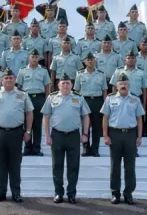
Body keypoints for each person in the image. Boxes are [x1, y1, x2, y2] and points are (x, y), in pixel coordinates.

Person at [0, 68, 34, 203]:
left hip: (16, 132)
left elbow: (29, 113)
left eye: (11, 78)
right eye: (6, 78)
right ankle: (1, 192)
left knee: (15, 163)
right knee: (0, 163)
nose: (8, 80)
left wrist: (28, 131)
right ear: (2, 80)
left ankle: (16, 192)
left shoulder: (22, 95)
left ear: (15, 80)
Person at [42, 73, 90, 204]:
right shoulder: (52, 98)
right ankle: (58, 193)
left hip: (74, 135)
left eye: (68, 83)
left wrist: (85, 134)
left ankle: (71, 193)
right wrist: (47, 135)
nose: (65, 85)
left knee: (73, 166)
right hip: (57, 135)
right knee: (57, 166)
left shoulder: (78, 98)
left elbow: (86, 116)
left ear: (72, 85)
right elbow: (46, 117)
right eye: (63, 83)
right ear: (58, 85)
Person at [101, 73, 144, 205]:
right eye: (121, 84)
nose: (123, 86)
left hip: (130, 134)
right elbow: (105, 118)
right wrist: (105, 135)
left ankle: (128, 193)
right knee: (115, 166)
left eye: (125, 84)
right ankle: (115, 194)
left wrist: (139, 136)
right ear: (117, 86)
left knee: (130, 166)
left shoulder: (135, 99)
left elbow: (139, 118)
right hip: (115, 134)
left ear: (129, 85)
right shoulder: (110, 98)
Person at [16, 49, 50, 156]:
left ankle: (36, 148)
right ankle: (27, 147)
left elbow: (47, 86)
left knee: (37, 125)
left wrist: (47, 100)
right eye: (32, 57)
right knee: (26, 124)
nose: (34, 59)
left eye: (36, 57)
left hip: (39, 98)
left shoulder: (43, 71)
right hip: (26, 97)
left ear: (39, 58)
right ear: (29, 58)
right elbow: (19, 87)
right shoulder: (22, 71)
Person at [75, 52, 107, 156]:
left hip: (97, 101)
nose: (90, 61)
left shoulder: (101, 74)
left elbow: (104, 91)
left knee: (97, 127)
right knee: (85, 126)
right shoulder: (79, 74)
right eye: (88, 60)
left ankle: (95, 149)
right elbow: (76, 91)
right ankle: (85, 148)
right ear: (84, 62)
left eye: (92, 59)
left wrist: (105, 104)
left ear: (95, 61)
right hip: (84, 101)